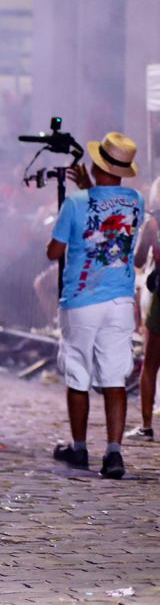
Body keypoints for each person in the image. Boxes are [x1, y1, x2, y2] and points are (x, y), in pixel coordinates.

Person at [48, 132, 144, 479]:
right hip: (120, 300)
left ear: (96, 164)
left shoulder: (75, 203)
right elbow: (107, 209)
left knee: (78, 374)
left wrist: (82, 193)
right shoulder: (135, 200)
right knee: (114, 378)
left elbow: (54, 251)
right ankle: (114, 454)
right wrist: (89, 188)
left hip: (82, 298)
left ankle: (79, 448)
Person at [132, 177, 160, 439]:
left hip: (158, 299)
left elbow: (139, 259)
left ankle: (146, 425)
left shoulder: (153, 223)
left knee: (150, 363)